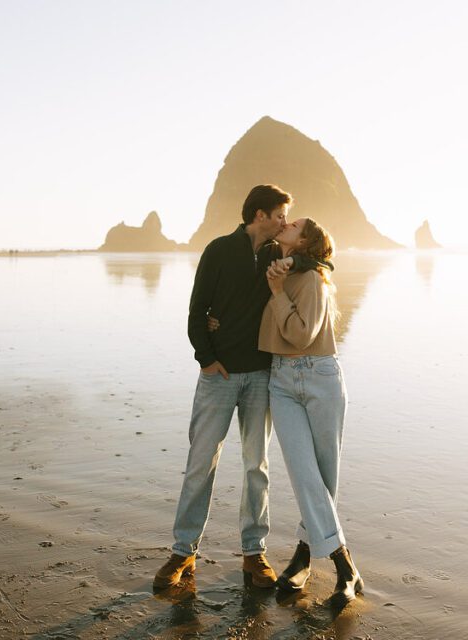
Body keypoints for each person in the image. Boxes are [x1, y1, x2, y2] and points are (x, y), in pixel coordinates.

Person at [153, 184, 292, 591]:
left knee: (256, 467)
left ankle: (254, 553)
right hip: (218, 376)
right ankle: (183, 551)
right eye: (280, 214)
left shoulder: (278, 257)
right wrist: (206, 358)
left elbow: (320, 261)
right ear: (261, 214)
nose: (284, 221)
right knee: (201, 463)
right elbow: (198, 310)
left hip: (261, 376)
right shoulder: (218, 250)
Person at [260, 217, 363, 608]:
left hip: (319, 377)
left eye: (295, 223)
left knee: (322, 477)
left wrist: (276, 290)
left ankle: (304, 558)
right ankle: (344, 564)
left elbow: (301, 334)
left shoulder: (315, 279)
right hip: (281, 380)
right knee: (305, 474)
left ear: (305, 241)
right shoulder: (276, 269)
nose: (286, 221)